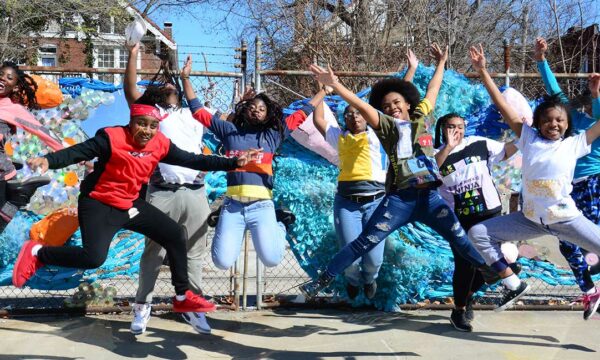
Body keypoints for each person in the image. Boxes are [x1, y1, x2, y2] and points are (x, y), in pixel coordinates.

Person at [11, 92, 261, 319]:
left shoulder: (160, 144)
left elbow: (194, 160)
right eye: (141, 124)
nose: (147, 131)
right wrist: (48, 160)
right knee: (93, 258)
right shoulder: (110, 138)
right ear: (131, 123)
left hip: (129, 204)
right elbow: (77, 152)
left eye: (153, 126)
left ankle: (183, 296)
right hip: (99, 203)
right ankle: (37, 253)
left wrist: (233, 163)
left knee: (175, 234)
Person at [300, 44, 496, 305]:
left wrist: (437, 64)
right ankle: (331, 279)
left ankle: (494, 273)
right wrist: (331, 88)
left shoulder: (414, 118)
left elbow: (428, 91)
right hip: (394, 199)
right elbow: (361, 105)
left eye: (397, 103)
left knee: (458, 237)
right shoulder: (374, 130)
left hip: (423, 196)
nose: (391, 107)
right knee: (360, 244)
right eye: (385, 105)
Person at [467, 44, 600, 314]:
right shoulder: (528, 138)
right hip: (529, 221)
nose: (554, 124)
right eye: (548, 120)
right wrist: (483, 72)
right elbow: (504, 107)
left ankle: (592, 289)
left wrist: (597, 94)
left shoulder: (575, 144)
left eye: (560, 121)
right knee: (478, 233)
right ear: (538, 123)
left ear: (567, 124)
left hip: (566, 221)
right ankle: (513, 283)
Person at [180, 55, 328, 271]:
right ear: (244, 109)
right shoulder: (229, 131)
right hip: (233, 206)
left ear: (268, 114)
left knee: (272, 260)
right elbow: (198, 111)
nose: (256, 110)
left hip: (262, 206)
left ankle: (280, 222)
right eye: (252, 107)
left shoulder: (272, 135)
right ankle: (221, 218)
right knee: (221, 262)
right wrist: (185, 79)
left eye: (261, 108)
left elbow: (302, 113)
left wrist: (323, 91)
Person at [310, 51, 418, 300]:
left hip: (376, 202)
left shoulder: (378, 135)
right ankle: (352, 280)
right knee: (349, 254)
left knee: (373, 258)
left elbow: (398, 102)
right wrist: (323, 92)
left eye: (357, 112)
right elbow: (317, 118)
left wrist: (410, 69)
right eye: (348, 114)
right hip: (346, 203)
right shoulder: (339, 136)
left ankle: (369, 279)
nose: (353, 116)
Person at [124, 43, 215, 335]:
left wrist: (242, 105)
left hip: (196, 192)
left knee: (194, 252)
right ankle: (142, 306)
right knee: (154, 250)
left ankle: (193, 307)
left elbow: (226, 125)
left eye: (171, 83)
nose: (166, 84)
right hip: (163, 192)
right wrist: (133, 54)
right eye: (161, 85)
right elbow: (131, 93)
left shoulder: (195, 114)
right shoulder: (153, 116)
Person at [535, 37, 600, 319]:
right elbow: (553, 88)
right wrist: (540, 59)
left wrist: (597, 93)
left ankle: (596, 264)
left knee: (593, 233)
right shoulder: (568, 116)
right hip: (566, 188)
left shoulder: (597, 120)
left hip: (594, 182)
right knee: (565, 241)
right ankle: (589, 289)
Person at [434, 113, 518, 331]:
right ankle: (459, 311)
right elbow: (431, 174)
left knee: (495, 263)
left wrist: (525, 135)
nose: (456, 131)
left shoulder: (478, 143)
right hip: (460, 219)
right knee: (465, 266)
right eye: (451, 127)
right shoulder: (436, 154)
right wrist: (447, 147)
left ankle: (468, 296)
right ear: (442, 129)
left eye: (460, 126)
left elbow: (507, 151)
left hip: (489, 214)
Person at [0, 62, 63, 230]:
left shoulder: (13, 109)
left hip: (1, 174)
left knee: (2, 219)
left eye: (9, 78)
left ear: (14, 87)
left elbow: (44, 133)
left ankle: (19, 196)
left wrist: (78, 156)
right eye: (1, 74)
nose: (3, 78)